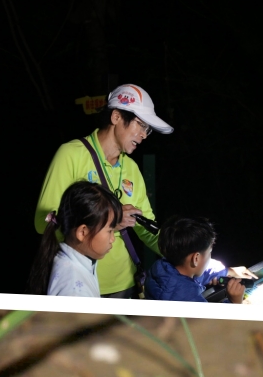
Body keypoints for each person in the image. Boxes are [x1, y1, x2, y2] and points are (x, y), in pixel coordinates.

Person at [34, 84, 173, 298]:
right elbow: (43, 223)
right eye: (140, 125)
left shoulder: (131, 169)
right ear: (116, 116)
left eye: (148, 129)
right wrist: (110, 222)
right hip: (79, 285)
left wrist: (184, 251)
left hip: (127, 284)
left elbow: (147, 228)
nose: (144, 135)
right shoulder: (71, 154)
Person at [27, 181, 123, 297]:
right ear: (82, 232)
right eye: (110, 231)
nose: (113, 239)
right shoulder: (74, 291)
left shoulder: (69, 260)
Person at [144, 216, 250, 303]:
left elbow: (198, 271)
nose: (210, 257)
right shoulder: (187, 299)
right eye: (209, 252)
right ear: (196, 258)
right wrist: (235, 301)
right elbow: (212, 325)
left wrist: (226, 271)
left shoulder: (162, 266)